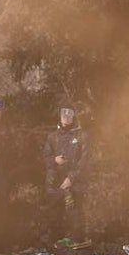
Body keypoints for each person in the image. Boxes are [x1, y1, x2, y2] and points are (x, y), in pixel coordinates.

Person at [41, 106, 88, 247]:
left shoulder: (82, 136)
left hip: (74, 182)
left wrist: (72, 178)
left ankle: (76, 243)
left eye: (69, 114)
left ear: (74, 116)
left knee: (75, 213)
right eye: (63, 114)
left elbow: (85, 161)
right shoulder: (53, 136)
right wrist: (54, 160)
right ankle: (52, 243)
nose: (66, 116)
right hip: (55, 181)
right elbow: (45, 157)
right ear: (59, 116)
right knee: (54, 213)